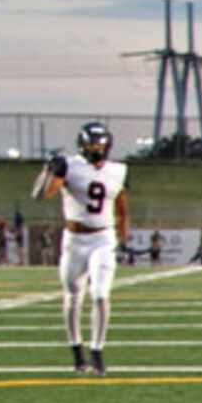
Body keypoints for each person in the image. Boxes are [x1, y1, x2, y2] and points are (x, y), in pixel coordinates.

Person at [34, 122, 125, 376]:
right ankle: (77, 352)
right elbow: (43, 194)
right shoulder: (71, 166)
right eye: (93, 144)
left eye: (101, 144)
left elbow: (122, 205)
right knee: (73, 297)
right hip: (74, 240)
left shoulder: (118, 171)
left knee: (100, 294)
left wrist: (123, 231)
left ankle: (97, 351)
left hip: (103, 238)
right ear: (83, 146)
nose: (98, 148)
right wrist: (48, 170)